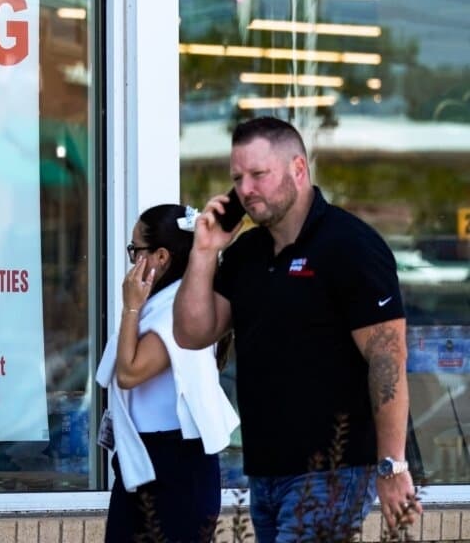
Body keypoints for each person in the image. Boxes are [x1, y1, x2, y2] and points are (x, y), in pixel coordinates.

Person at [173, 116, 423, 541]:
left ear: (298, 169)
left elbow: (387, 359)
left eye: (259, 174)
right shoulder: (246, 254)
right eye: (237, 177)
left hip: (332, 472)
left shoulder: (349, 244)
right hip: (266, 471)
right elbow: (192, 333)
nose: (246, 189)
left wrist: (392, 464)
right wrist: (203, 252)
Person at [95, 204, 239, 543]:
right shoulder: (165, 300)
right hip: (147, 458)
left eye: (135, 250)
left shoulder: (179, 308)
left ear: (161, 256)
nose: (132, 260)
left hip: (174, 463)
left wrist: (130, 305)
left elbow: (129, 373)